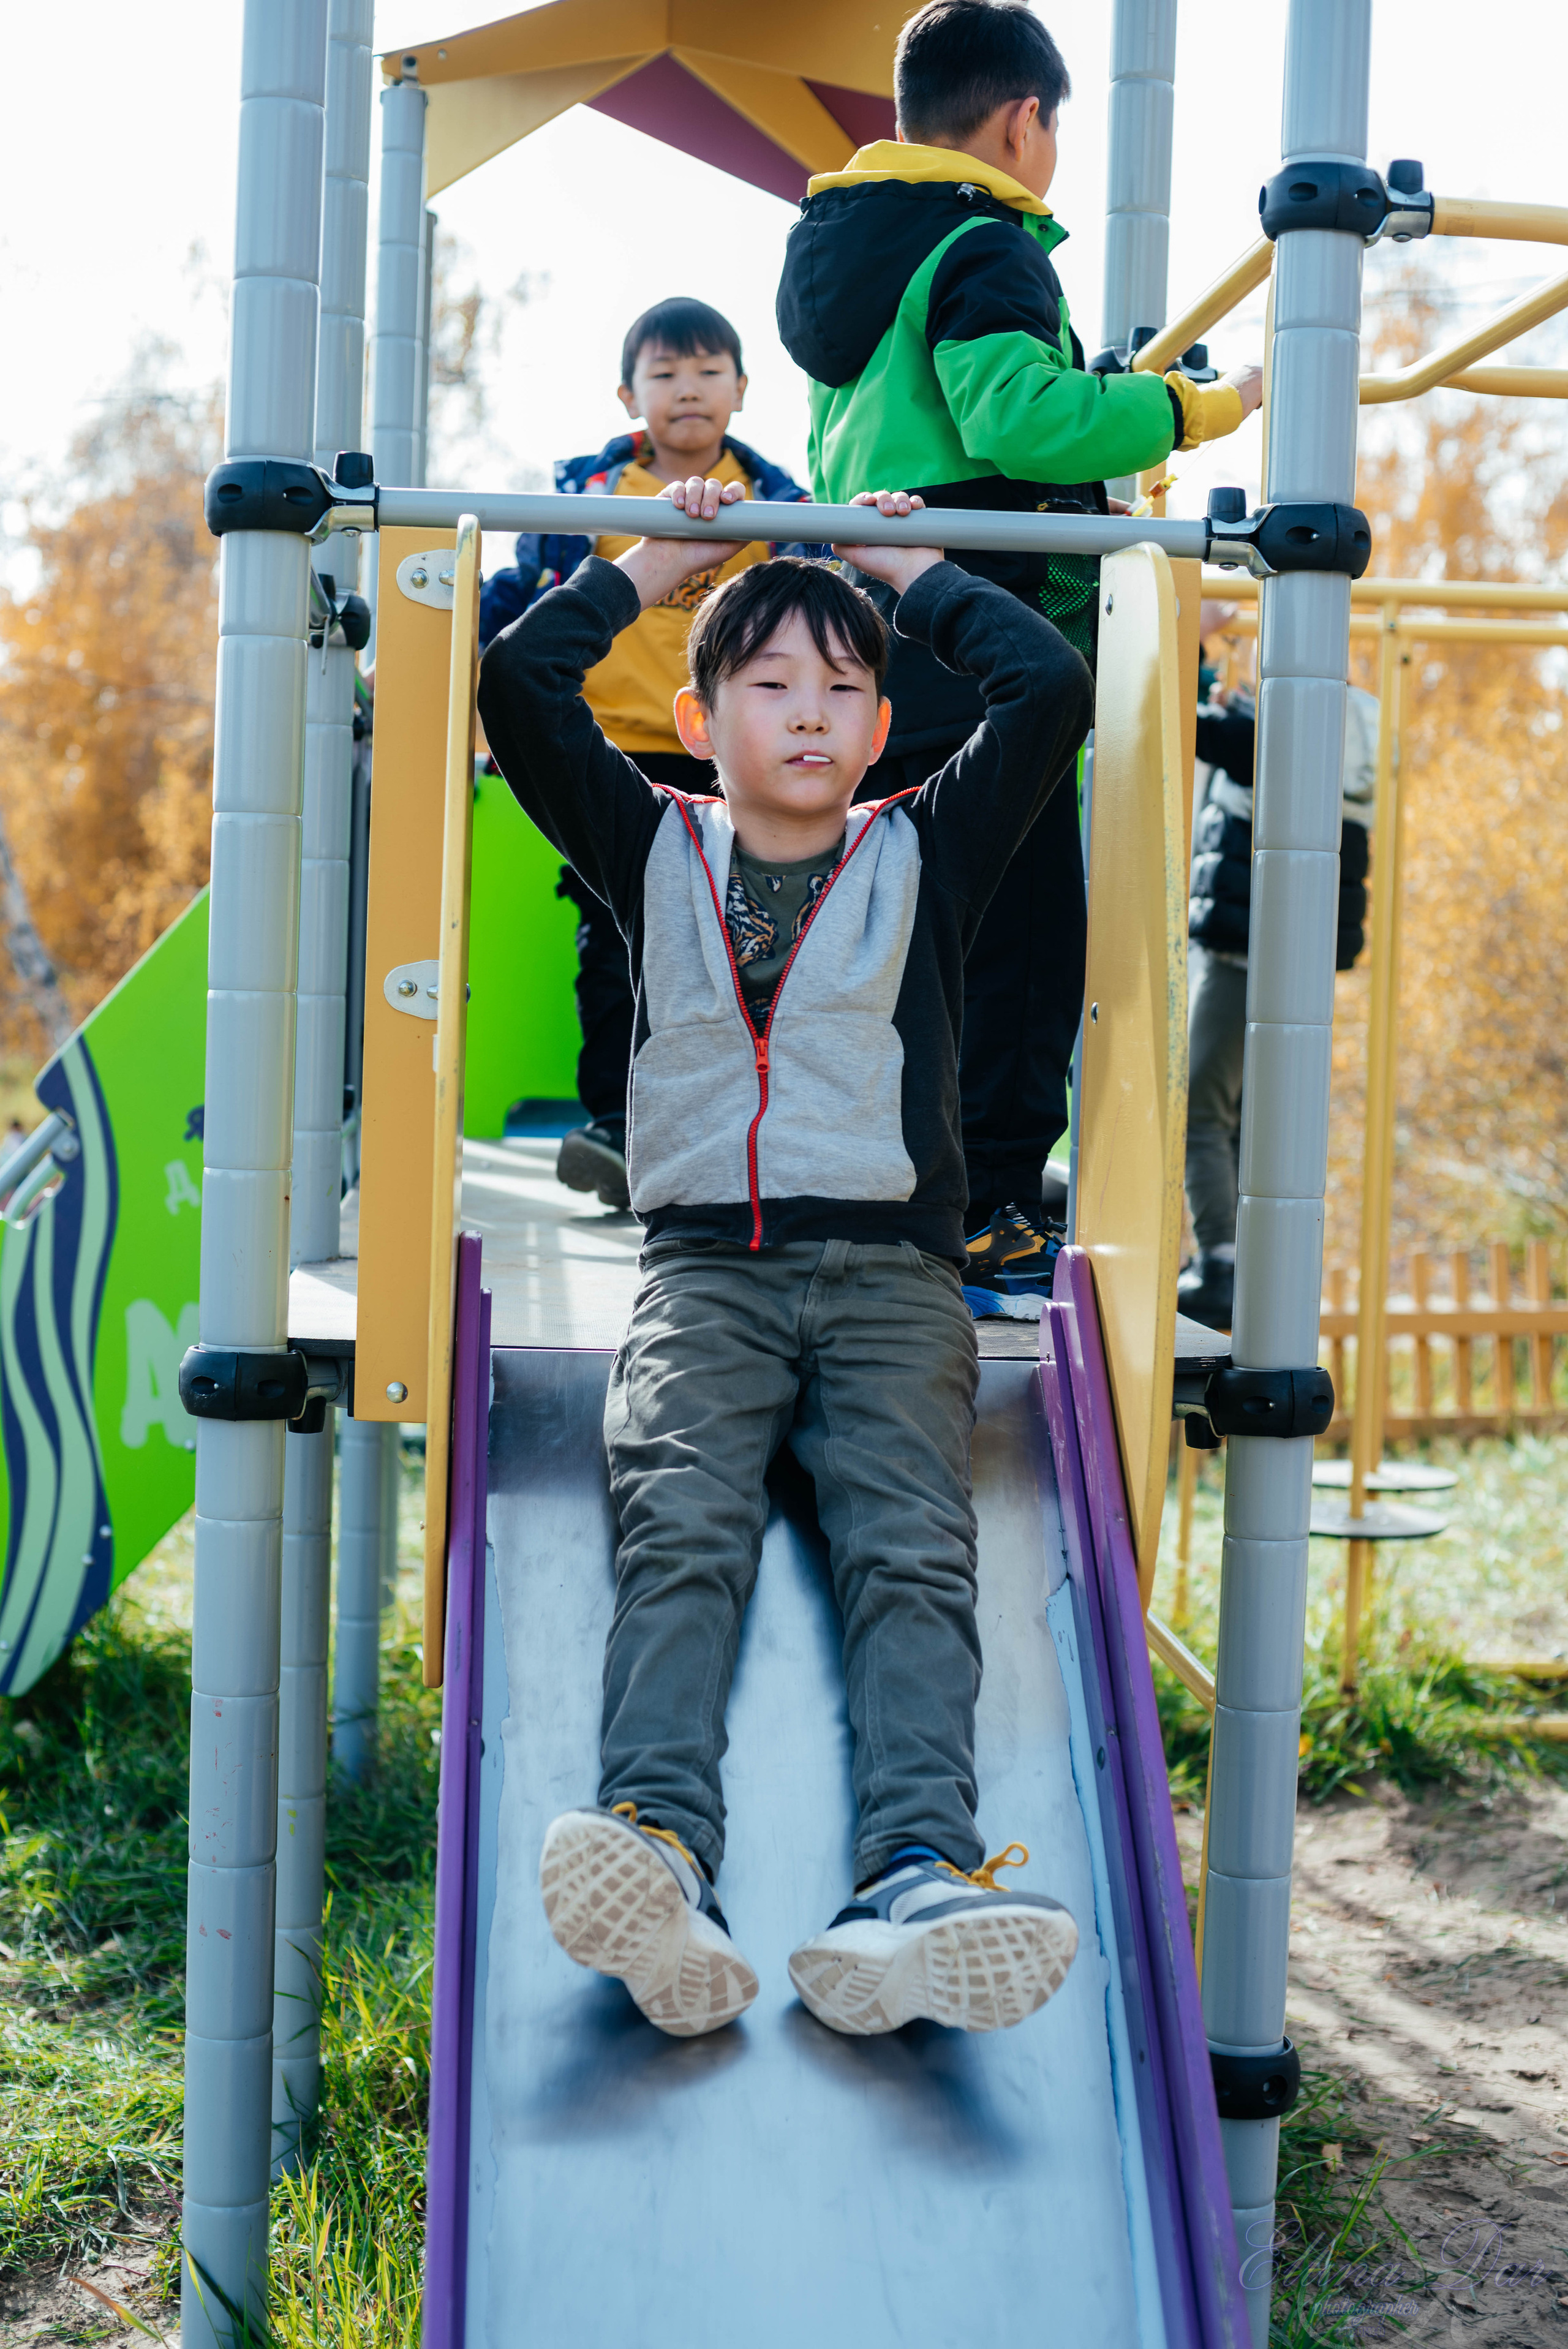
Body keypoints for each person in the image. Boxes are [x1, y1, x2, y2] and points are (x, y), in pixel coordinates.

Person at [477, 475, 1093, 2039]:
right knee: (679, 1519)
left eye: (840, 687)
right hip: (705, 1272)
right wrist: (657, 561)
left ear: (880, 730)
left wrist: (905, 564)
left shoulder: (924, 851)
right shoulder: (647, 842)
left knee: (911, 1547)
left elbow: (1044, 685)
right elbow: (519, 684)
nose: (808, 712)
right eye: (768, 684)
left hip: (893, 1276)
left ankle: (915, 1876)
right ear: (698, 721)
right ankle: (659, 1847)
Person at [775, 0, 1261, 1307]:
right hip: (984, 627)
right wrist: (1187, 406)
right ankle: (988, 1202)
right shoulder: (983, 241)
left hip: (880, 620)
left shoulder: (855, 252)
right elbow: (1015, 417)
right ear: (1022, 120)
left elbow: (926, 423)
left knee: (919, 919)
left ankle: (906, 1179)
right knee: (1026, 935)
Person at [479, 296, 816, 1210]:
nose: (688, 390)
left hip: (731, 760)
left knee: (745, 937)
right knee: (613, 939)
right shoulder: (592, 496)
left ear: (741, 389)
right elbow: (517, 600)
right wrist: (428, 647)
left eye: (708, 372)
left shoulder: (775, 503)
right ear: (629, 395)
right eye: (665, 374)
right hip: (612, 754)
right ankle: (618, 1123)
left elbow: (824, 599)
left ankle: (735, 1121)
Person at [1180, 624, 1379, 1330]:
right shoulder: (1355, 724)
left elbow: (1183, 718)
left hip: (1242, 945)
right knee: (1247, 1113)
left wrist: (1193, 640)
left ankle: (1221, 1260)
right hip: (1295, 953)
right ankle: (1247, 1257)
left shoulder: (1281, 723)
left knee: (1198, 1108)